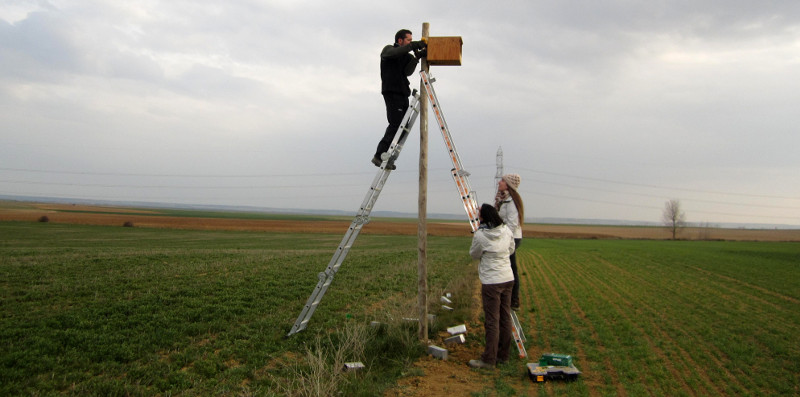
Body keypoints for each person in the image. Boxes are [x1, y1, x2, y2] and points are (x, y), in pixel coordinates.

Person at [468, 204, 516, 369]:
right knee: (505, 317)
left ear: (483, 217)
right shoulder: (507, 231)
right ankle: (504, 356)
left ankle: (489, 359)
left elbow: (473, 254)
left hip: (491, 282)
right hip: (508, 278)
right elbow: (511, 249)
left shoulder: (480, 235)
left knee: (492, 321)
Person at [372, 29, 427, 170]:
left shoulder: (405, 56)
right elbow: (394, 53)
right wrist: (413, 46)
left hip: (403, 93)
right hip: (392, 92)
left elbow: (407, 72)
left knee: (403, 128)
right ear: (400, 40)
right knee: (396, 124)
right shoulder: (389, 50)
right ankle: (379, 155)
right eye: (408, 40)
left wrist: (416, 58)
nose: (410, 42)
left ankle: (387, 156)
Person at [495, 173, 524, 310]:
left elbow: (512, 224)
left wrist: (503, 239)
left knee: (510, 268)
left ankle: (513, 300)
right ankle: (510, 299)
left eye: (502, 180)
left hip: (511, 238)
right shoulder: (503, 199)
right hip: (508, 237)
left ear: (508, 185)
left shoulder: (511, 202)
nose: (499, 182)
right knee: (510, 267)